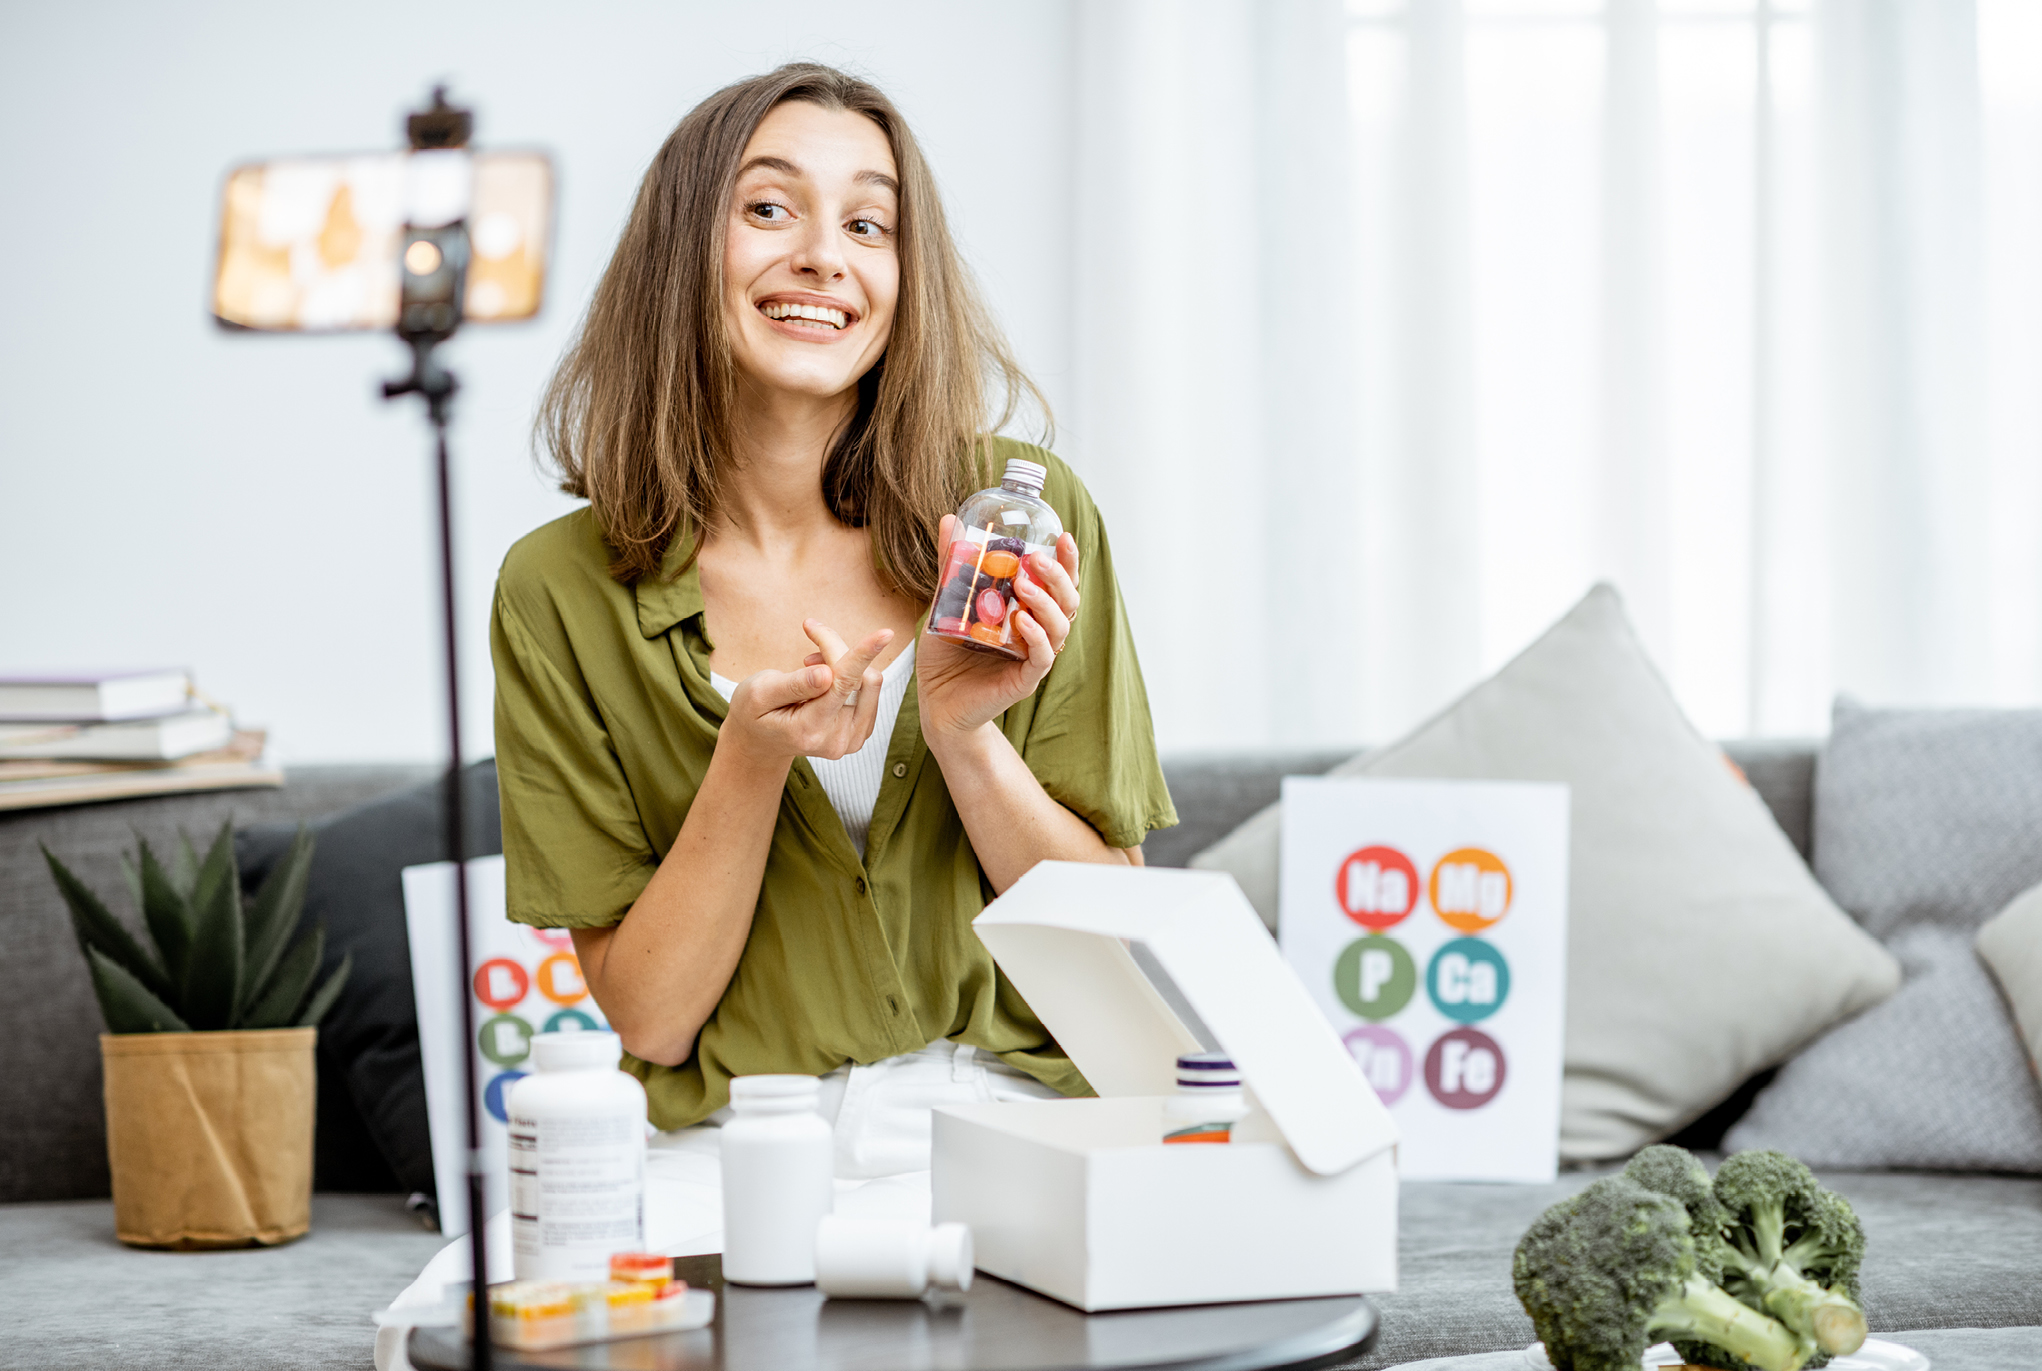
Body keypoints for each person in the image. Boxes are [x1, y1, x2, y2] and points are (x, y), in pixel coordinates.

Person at [376, 64, 1173, 1361]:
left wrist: (966, 734)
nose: (823, 258)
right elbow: (649, 1018)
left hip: (1014, 1138)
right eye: (768, 211)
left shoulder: (1020, 520)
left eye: (868, 223)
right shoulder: (559, 588)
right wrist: (747, 759)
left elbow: (1113, 958)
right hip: (724, 1156)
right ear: (683, 251)